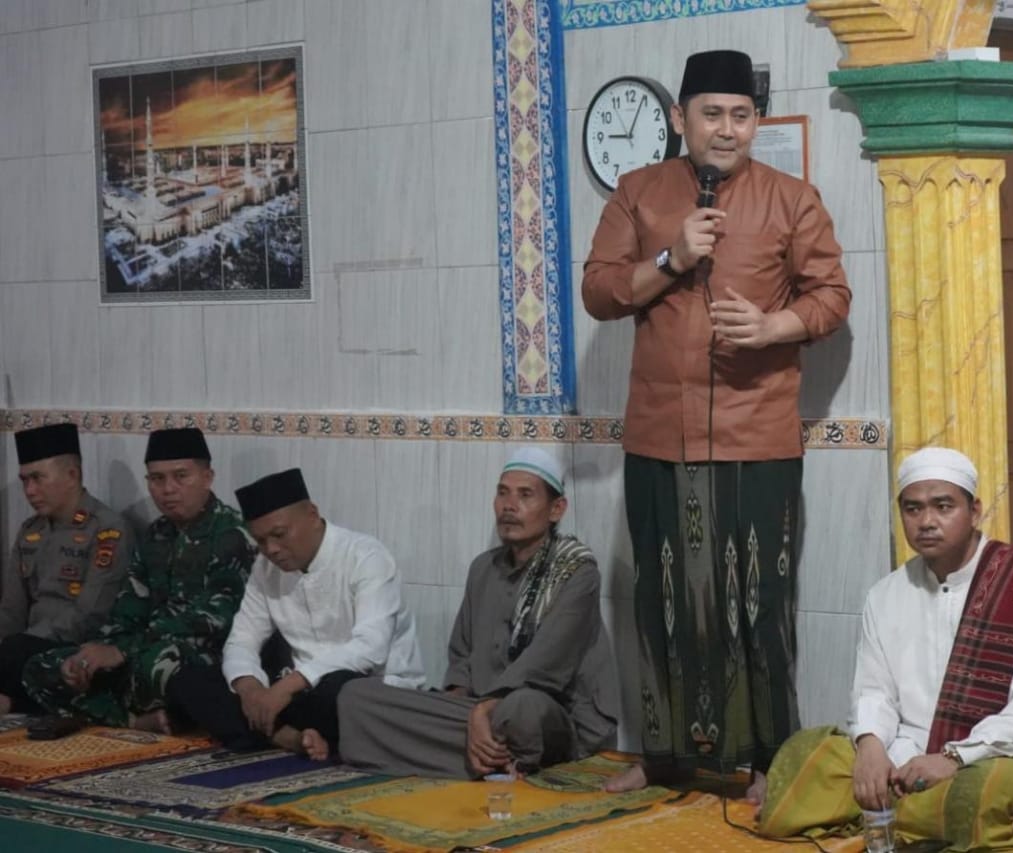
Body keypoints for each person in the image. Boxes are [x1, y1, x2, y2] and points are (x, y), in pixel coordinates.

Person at [582, 48, 850, 799]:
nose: (727, 129)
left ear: (755, 122)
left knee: (760, 605)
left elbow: (832, 296)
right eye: (711, 114)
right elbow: (600, 292)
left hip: (757, 439)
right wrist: (672, 257)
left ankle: (770, 762)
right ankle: (663, 756)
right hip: (657, 438)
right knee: (660, 604)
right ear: (680, 118)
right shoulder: (638, 193)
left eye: (741, 115)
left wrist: (771, 328)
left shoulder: (791, 199)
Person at [758, 448, 1013, 850]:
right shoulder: (885, 595)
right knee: (806, 758)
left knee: (982, 791)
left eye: (943, 506)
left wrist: (952, 759)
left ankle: (902, 812)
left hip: (997, 757)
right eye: (913, 509)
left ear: (975, 511)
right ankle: (950, 817)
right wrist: (871, 747)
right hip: (902, 755)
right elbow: (874, 690)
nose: (926, 521)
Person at [339, 447, 618, 778]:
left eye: (525, 495)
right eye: (502, 493)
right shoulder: (483, 568)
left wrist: (484, 710)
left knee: (521, 708)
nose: (509, 506)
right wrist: (458, 705)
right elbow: (461, 657)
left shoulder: (577, 572)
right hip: (480, 713)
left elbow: (545, 663)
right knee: (356, 696)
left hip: (557, 718)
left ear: (556, 509)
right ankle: (491, 755)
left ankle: (466, 751)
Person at [166, 468, 427, 760]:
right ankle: (287, 736)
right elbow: (242, 640)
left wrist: (287, 687)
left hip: (366, 690)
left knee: (340, 691)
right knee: (189, 680)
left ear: (312, 515)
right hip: (297, 692)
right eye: (260, 541)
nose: (272, 549)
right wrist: (251, 689)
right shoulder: (266, 567)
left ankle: (268, 731)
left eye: (279, 535)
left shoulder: (366, 557)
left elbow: (371, 648)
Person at [21, 427, 253, 737]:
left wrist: (124, 651)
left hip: (198, 657)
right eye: (157, 479)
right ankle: (135, 721)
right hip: (142, 650)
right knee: (45, 666)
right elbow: (128, 608)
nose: (168, 489)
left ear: (207, 477)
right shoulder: (157, 534)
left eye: (180, 476)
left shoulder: (231, 534)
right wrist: (98, 652)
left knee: (161, 666)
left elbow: (211, 621)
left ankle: (112, 711)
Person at [0, 424, 132, 715]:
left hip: (74, 645)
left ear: (72, 475)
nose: (30, 491)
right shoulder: (30, 530)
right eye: (24, 481)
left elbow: (91, 614)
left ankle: (14, 701)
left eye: (38, 478)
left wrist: (21, 643)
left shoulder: (106, 529)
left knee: (22, 657)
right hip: (23, 647)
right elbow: (11, 609)